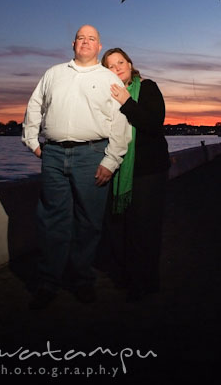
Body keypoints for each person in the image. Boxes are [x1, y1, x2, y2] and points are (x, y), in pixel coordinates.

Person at [22, 25, 131, 309]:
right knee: (51, 221)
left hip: (92, 154)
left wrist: (111, 159)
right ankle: (48, 282)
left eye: (91, 38)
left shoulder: (109, 78)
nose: (86, 42)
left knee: (89, 222)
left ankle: (82, 280)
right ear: (73, 44)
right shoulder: (53, 74)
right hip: (54, 154)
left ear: (98, 46)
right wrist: (32, 140)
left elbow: (121, 122)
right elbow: (35, 106)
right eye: (81, 37)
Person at [99, 47, 170, 302]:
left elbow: (153, 124)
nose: (117, 68)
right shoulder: (104, 95)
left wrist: (126, 102)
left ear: (130, 64)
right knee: (119, 227)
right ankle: (128, 276)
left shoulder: (148, 88)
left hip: (149, 170)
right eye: (110, 65)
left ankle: (146, 282)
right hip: (117, 168)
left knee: (145, 228)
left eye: (121, 62)